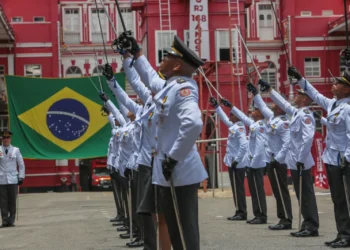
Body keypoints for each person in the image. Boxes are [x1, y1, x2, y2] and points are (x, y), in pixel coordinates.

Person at [116, 34, 208, 250]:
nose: (161, 60)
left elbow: (194, 124)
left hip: (180, 172)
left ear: (176, 66)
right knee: (175, 231)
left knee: (185, 234)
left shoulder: (184, 89)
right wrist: (137, 54)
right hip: (167, 172)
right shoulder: (170, 86)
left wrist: (173, 158)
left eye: (166, 57)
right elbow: (149, 78)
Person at [288, 67, 350, 246]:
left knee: (346, 199)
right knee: (338, 199)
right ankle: (342, 233)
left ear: (346, 89)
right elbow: (314, 94)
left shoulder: (348, 108)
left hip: (344, 160)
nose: (334, 84)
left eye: (339, 83)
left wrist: (347, 156)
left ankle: (347, 235)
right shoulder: (333, 104)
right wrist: (300, 79)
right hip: (332, 159)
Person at [259, 79, 319, 237]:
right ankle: (307, 224)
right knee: (301, 195)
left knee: (306, 194)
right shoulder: (297, 112)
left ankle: (311, 225)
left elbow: (307, 139)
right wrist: (270, 91)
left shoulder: (305, 114)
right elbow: (283, 104)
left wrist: (300, 159)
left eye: (299, 94)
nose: (296, 96)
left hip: (302, 161)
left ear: (305, 98)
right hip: (295, 161)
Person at [247, 82, 293, 230]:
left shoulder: (284, 122)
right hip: (272, 160)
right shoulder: (273, 118)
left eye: (275, 103)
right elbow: (262, 107)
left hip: (278, 161)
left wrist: (277, 158)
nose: (272, 105)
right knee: (277, 191)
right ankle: (282, 218)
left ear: (281, 107)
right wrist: (255, 94)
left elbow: (287, 143)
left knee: (281, 190)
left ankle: (286, 219)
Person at [221, 96, 269, 224]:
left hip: (256, 163)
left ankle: (261, 215)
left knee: (257, 190)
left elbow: (259, 146)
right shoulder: (254, 124)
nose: (251, 110)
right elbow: (242, 116)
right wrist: (230, 106)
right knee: (253, 190)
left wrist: (251, 161)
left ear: (259, 113)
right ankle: (257, 213)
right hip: (251, 162)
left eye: (255, 109)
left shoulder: (259, 126)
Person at [209, 97, 248, 221]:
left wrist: (237, 159)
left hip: (238, 163)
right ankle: (238, 210)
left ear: (237, 117)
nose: (230, 116)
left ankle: (242, 211)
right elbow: (225, 119)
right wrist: (217, 107)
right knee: (236, 188)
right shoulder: (234, 126)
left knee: (239, 188)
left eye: (232, 115)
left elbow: (243, 145)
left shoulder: (240, 128)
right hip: (233, 162)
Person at [0, 130, 25, 227]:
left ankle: (11, 220)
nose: (6, 139)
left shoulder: (16, 150)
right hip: (1, 179)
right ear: (2, 139)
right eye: (4, 138)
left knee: (12, 201)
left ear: (10, 139)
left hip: (13, 179)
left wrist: (21, 177)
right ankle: (4, 220)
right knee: (2, 201)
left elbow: (21, 164)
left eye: (7, 138)